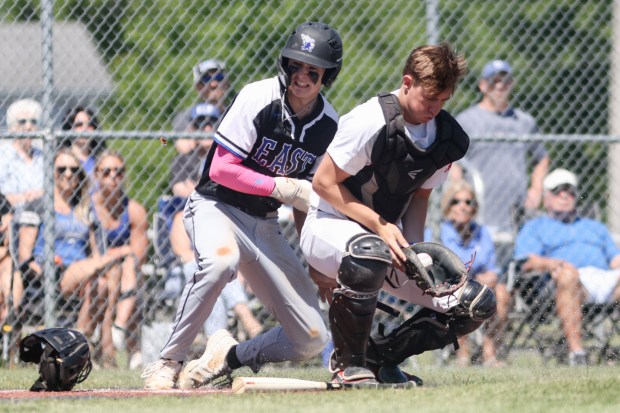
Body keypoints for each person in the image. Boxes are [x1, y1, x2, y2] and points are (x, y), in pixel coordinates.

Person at [142, 21, 343, 390]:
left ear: (327, 75)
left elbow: (305, 200)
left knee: (311, 337)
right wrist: (281, 186)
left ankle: (229, 356)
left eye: (312, 70)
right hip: (214, 206)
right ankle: (169, 360)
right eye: (295, 65)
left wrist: (316, 264)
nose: (301, 76)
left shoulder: (328, 123)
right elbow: (220, 168)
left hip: (264, 223)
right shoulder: (259, 96)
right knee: (220, 262)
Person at [300, 43, 494, 385]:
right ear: (407, 82)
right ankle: (349, 363)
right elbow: (324, 183)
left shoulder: (444, 136)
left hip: (387, 241)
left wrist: (416, 251)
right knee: (369, 251)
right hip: (329, 226)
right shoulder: (370, 120)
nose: (435, 108)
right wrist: (380, 225)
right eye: (428, 99)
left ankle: (382, 358)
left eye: (443, 100)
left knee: (475, 302)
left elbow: (420, 197)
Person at [168, 102, 263, 340]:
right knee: (211, 268)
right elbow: (183, 193)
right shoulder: (183, 166)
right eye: (201, 124)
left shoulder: (229, 160)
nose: (207, 128)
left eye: (212, 123)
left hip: (225, 262)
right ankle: (245, 317)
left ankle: (217, 343)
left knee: (219, 273)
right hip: (190, 265)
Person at [513, 168, 620, 366]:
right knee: (567, 275)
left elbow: (615, 259)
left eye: (570, 191)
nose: (565, 195)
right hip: (563, 282)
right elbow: (526, 261)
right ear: (546, 198)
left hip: (604, 279)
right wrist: (553, 263)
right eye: (558, 191)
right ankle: (577, 353)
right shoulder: (535, 226)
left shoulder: (595, 226)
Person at [453, 60, 549, 251]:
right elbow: (454, 162)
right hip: (479, 208)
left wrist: (536, 189)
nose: (500, 86)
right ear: (482, 85)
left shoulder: (523, 121)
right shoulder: (467, 120)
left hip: (515, 210)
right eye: (494, 81)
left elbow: (542, 158)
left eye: (505, 81)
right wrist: (459, 193)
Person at [425, 181, 508, 366]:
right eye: (456, 202)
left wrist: (490, 277)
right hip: (446, 289)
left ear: (474, 207)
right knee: (461, 291)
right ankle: (462, 354)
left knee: (500, 292)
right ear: (447, 206)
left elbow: (493, 269)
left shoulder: (482, 233)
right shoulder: (436, 232)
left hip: (480, 286)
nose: (463, 207)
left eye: (468, 202)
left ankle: (490, 354)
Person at [91, 150, 149, 368]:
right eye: (106, 172)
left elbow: (138, 254)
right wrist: (117, 254)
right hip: (98, 270)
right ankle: (117, 338)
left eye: (118, 171)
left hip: (127, 273)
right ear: (96, 175)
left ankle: (119, 328)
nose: (113, 176)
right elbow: (92, 253)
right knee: (112, 275)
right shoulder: (89, 208)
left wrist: (121, 255)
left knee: (129, 264)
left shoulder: (134, 210)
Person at [171, 59, 230, 133]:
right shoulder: (186, 116)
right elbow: (165, 139)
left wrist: (194, 137)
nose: (213, 84)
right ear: (197, 87)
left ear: (227, 83)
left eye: (219, 77)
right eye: (207, 79)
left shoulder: (235, 113)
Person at [61, 106, 106, 176]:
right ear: (69, 128)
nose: (85, 129)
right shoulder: (61, 161)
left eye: (90, 124)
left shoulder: (101, 162)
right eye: (79, 125)